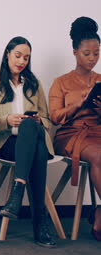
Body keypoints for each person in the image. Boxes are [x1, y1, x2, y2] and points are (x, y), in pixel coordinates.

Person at [0, 36, 56, 247]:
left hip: (32, 139)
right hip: (6, 144)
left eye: (26, 57)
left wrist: (36, 121)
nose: (22, 61)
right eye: (18, 55)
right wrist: (7, 120)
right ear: (7, 54)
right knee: (38, 151)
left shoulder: (35, 84)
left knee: (31, 128)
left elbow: (47, 120)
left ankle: (18, 191)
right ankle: (40, 222)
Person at [48, 16, 101, 241]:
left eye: (97, 53)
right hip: (71, 135)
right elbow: (54, 117)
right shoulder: (61, 82)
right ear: (74, 52)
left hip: (97, 130)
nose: (92, 58)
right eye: (87, 53)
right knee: (99, 156)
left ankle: (99, 212)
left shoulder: (100, 79)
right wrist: (77, 104)